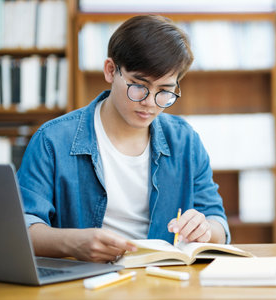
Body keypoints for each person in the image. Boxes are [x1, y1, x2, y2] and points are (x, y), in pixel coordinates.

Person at [17, 15, 230, 263]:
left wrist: (205, 229)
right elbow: (23, 228)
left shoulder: (185, 141)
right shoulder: (52, 140)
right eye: (139, 85)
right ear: (110, 70)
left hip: (164, 281)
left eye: (165, 91)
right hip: (82, 282)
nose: (150, 103)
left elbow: (218, 224)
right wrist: (74, 243)